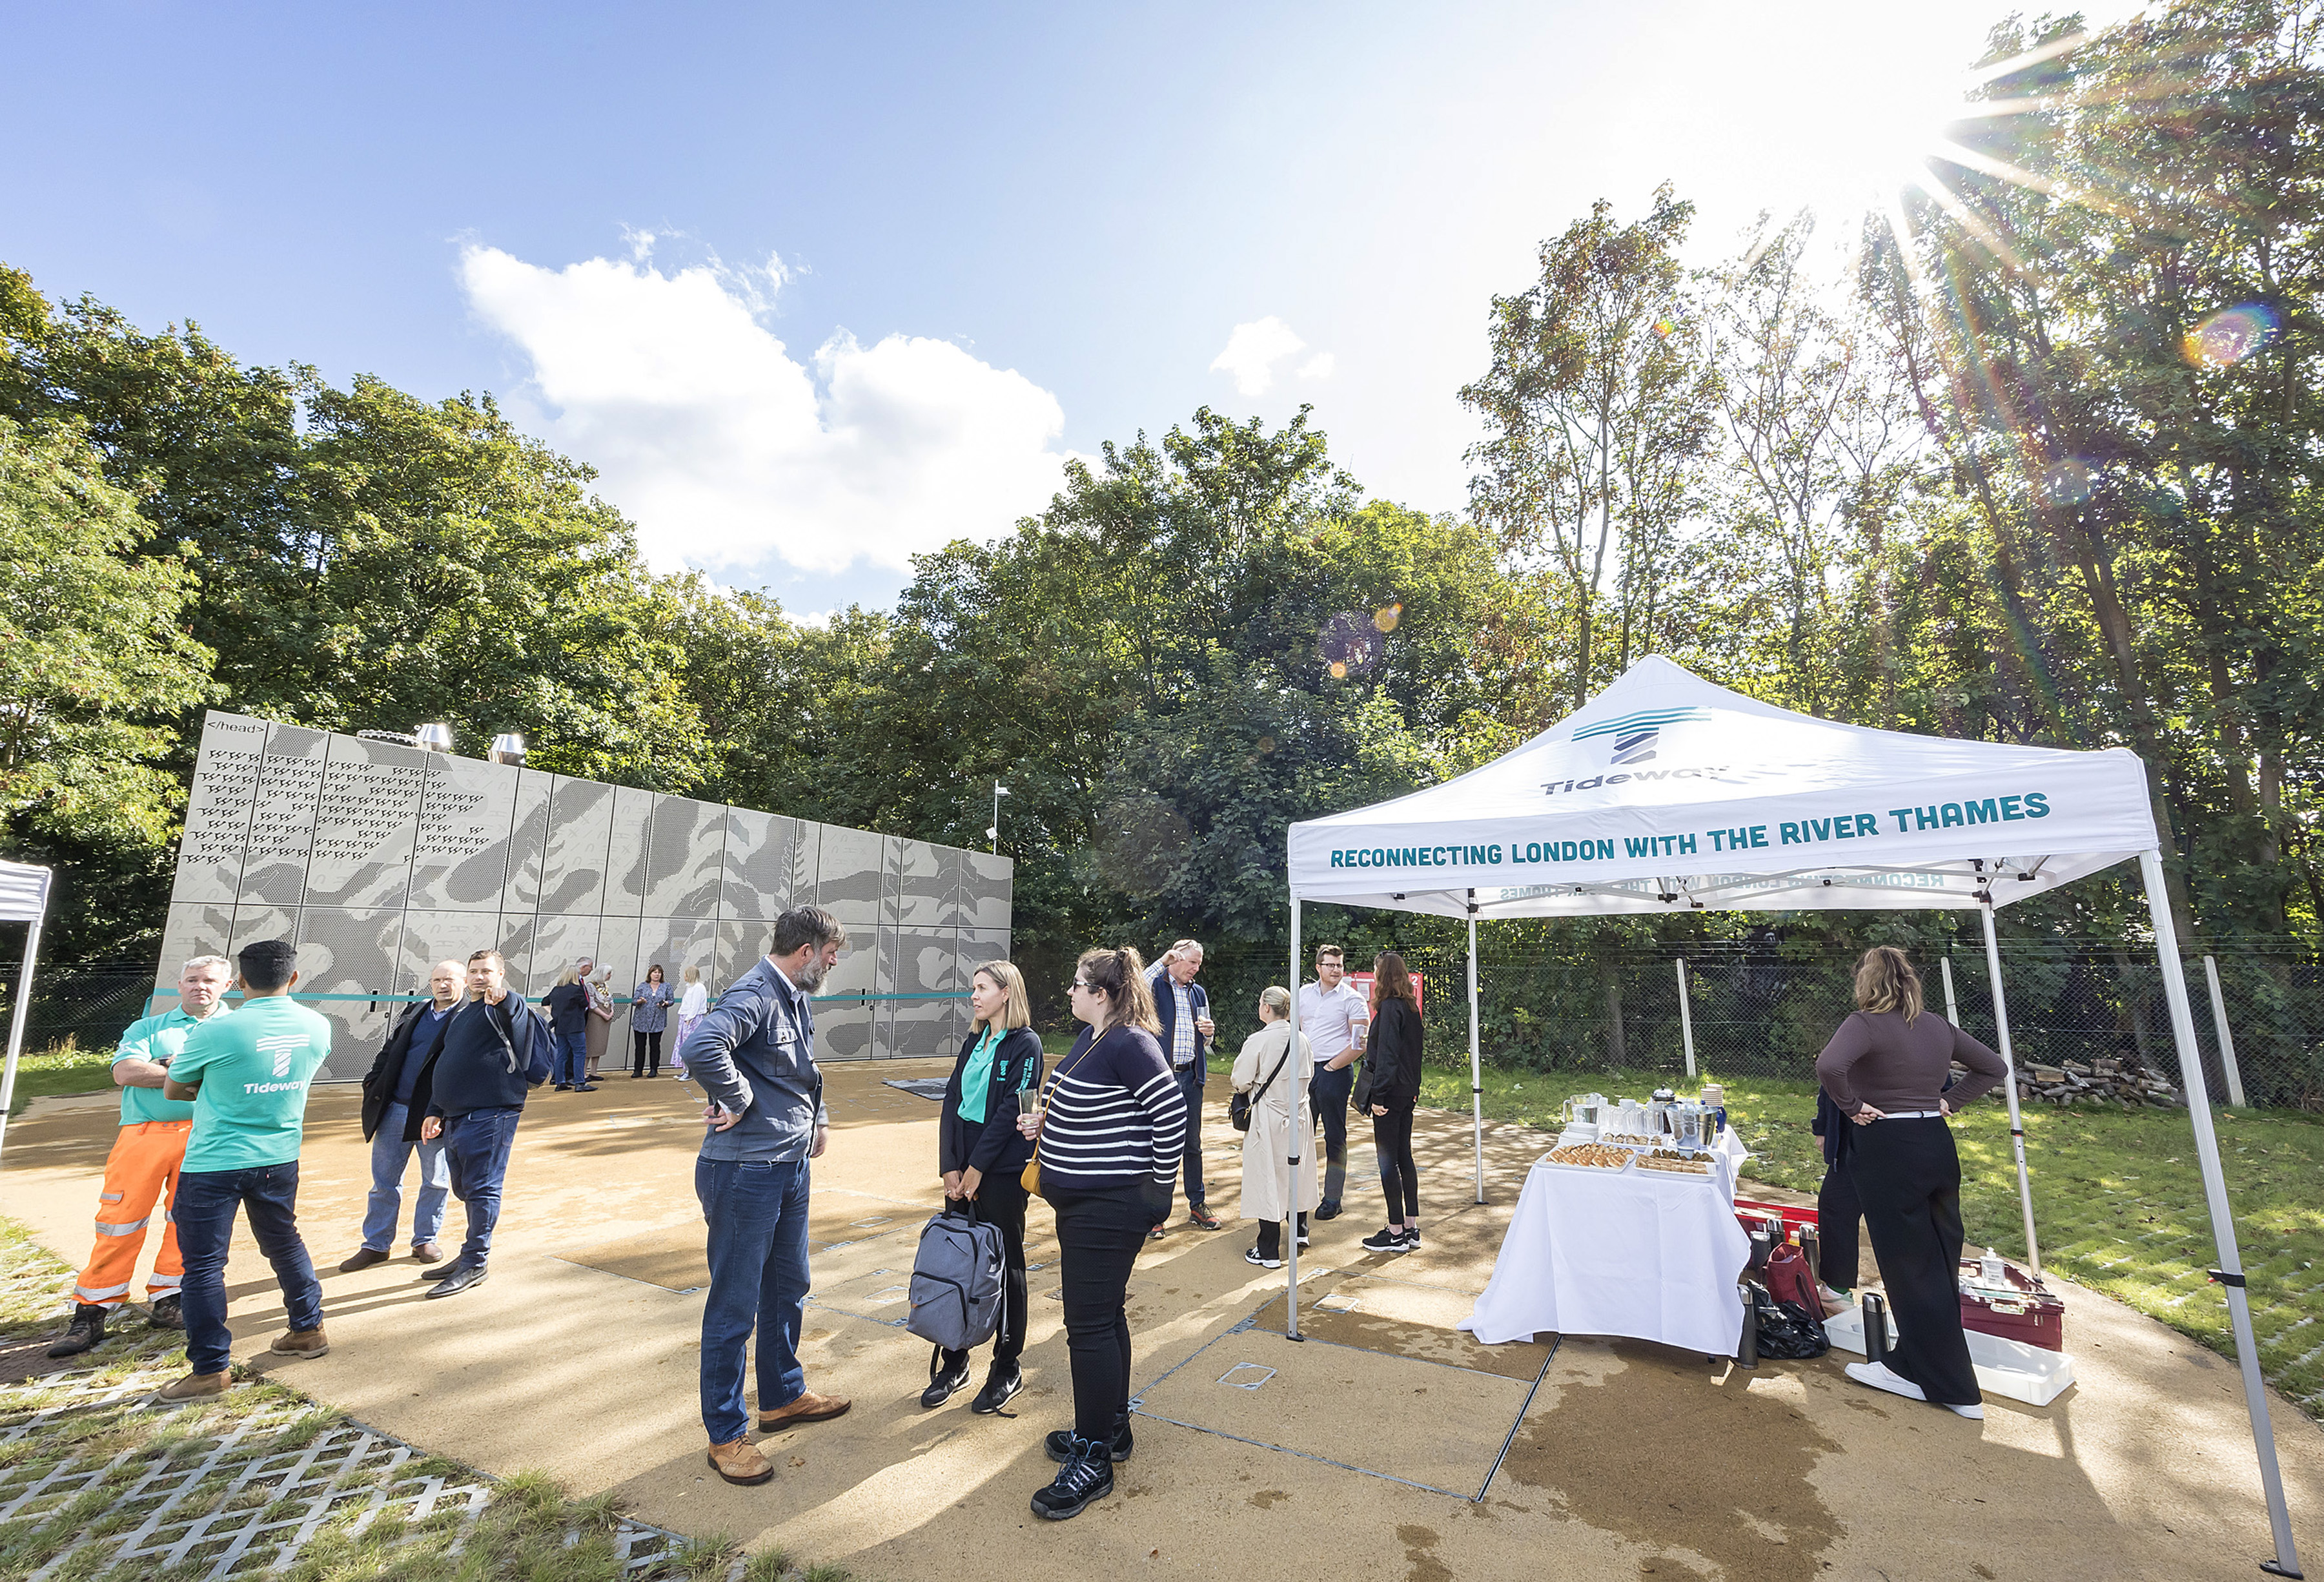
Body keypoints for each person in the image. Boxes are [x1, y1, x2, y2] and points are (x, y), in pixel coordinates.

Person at [687, 905, 854, 1488]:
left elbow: (802, 1070)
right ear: (806, 950)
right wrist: (738, 1100)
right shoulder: (756, 992)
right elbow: (703, 1046)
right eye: (832, 951)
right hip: (744, 1174)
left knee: (788, 1286)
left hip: (786, 1166)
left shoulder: (794, 996)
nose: (835, 961)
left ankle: (782, 1397)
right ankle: (726, 1434)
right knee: (735, 1305)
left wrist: (819, 1120)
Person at [1017, 945, 1185, 1521]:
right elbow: (1097, 1107)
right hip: (1083, 1205)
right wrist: (1047, 1121)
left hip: (1109, 1208)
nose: (1069, 991)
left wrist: (1159, 1192)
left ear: (1103, 994)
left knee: (1086, 1328)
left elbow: (1170, 1115)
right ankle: (1111, 1431)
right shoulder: (1095, 1041)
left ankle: (1093, 1458)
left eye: (1077, 984)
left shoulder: (1131, 1042)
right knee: (1105, 1318)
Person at [1816, 945, 2009, 1421]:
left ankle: (1935, 1380)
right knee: (1939, 1259)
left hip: (1888, 1144)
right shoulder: (1938, 1026)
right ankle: (1937, 1372)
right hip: (1935, 1143)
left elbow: (1828, 1066)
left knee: (1907, 1261)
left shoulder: (1863, 1023)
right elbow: (1995, 1068)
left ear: (1867, 982)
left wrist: (1851, 1106)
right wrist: (1951, 1102)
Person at [154, 939, 334, 1403]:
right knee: (284, 1242)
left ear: (239, 981)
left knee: (204, 1266)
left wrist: (205, 1083)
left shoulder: (217, 1031)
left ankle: (210, 1368)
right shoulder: (318, 1025)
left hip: (216, 1160)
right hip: (278, 1155)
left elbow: (175, 1090)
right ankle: (308, 1329)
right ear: (293, 977)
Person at [45, 954, 236, 1359]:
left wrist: (166, 1068)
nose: (199, 986)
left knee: (186, 1221)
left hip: (207, 1138)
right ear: (179, 984)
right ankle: (94, 1308)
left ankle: (169, 1297)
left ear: (228, 986)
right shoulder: (149, 1027)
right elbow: (126, 1073)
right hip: (143, 1136)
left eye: (209, 980)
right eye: (191, 979)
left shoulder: (236, 1028)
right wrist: (190, 1074)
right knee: (119, 1220)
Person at [926, 960, 1044, 1413]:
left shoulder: (1025, 1043)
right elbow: (952, 1102)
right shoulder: (975, 1039)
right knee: (959, 1263)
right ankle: (955, 1359)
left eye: (981, 988)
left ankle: (1006, 1366)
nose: (973, 996)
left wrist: (976, 1169)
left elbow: (1009, 1116)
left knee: (1006, 1264)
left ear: (1006, 993)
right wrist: (950, 1167)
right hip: (963, 1167)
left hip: (999, 1171)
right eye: (972, 988)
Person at [407, 950, 556, 1299]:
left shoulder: (505, 1006)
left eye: (486, 971)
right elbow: (445, 1062)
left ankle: (476, 1261)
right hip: (455, 1116)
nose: (479, 977)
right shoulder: (463, 1014)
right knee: (465, 1188)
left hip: (492, 1114)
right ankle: (468, 1254)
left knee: (483, 1187)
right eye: (473, 971)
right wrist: (434, 1109)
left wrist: (504, 998)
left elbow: (513, 1009)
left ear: (500, 974)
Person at [339, 960, 461, 1271]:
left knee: (435, 1181)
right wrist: (374, 1080)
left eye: (449, 979)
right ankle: (376, 1245)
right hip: (395, 1109)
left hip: (434, 1116)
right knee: (384, 1182)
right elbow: (391, 1050)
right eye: (437, 980)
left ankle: (425, 1239)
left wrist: (444, 1111)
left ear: (462, 982)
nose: (442, 985)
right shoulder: (416, 1011)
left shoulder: (467, 1018)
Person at [1233, 987, 1316, 1268]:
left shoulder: (1259, 1040)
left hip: (1269, 1116)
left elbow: (1241, 1080)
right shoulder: (1302, 1039)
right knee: (1298, 1171)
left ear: (1266, 1008)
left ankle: (1268, 1249)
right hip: (1300, 1114)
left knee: (1268, 1176)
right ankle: (1299, 1231)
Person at [1145, 940, 1218, 1235]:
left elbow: (1205, 1040)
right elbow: (1134, 984)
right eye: (1192, 962)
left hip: (1190, 1078)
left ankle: (1197, 1204)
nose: (1196, 968)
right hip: (1160, 1079)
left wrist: (1209, 1035)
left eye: (1199, 963)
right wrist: (1161, 962)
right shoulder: (1155, 986)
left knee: (1193, 1144)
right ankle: (1153, 1213)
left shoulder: (1198, 992)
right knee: (1156, 1144)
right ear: (1175, 959)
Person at [1296, 944, 1370, 1222]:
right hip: (1304, 1071)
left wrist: (1330, 1067)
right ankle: (1300, 1196)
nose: (1336, 969)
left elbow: (1360, 1043)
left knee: (1334, 1137)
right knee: (1300, 1135)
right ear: (1318, 967)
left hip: (1334, 1072)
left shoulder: (1352, 999)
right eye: (1330, 965)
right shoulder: (1302, 994)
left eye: (1339, 965)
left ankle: (1332, 1199)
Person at [1359, 951, 1424, 1254]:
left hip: (1390, 1093)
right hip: (1408, 1092)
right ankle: (1411, 1227)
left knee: (1388, 1162)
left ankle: (1395, 1231)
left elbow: (1387, 1056)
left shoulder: (1388, 1008)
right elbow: (1412, 1055)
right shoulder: (1412, 1009)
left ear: (1382, 975)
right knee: (1404, 1157)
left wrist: (1379, 1096)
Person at [1809, 1085, 1861, 1311]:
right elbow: (1829, 1078)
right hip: (1848, 1135)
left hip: (1893, 1137)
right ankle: (1836, 1290)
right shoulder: (1842, 1050)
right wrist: (1822, 1127)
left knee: (1899, 1217)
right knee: (1835, 1204)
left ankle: (1922, 1299)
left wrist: (1948, 1100)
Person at [542, 965, 594, 1093]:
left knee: (561, 1055)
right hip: (575, 1026)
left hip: (560, 1026)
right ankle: (580, 1082)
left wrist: (554, 1013)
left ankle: (560, 1082)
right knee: (579, 1053)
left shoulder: (556, 990)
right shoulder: (576, 989)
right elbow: (585, 1004)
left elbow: (545, 1001)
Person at [631, 964, 675, 1078]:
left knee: (655, 1045)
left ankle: (654, 1069)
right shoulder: (642, 986)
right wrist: (640, 1001)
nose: (657, 974)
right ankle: (638, 1070)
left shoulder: (667, 986)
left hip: (658, 1020)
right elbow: (634, 1001)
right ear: (650, 974)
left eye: (659, 973)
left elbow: (671, 1000)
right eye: (655, 972)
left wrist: (666, 1003)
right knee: (640, 1046)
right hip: (641, 1020)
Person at [673, 965, 709, 1075]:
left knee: (690, 1044)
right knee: (684, 1044)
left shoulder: (698, 987)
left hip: (692, 1019)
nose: (684, 976)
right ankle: (686, 1069)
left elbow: (695, 1005)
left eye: (686, 974)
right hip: (686, 1017)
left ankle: (691, 1071)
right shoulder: (691, 987)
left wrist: (689, 1018)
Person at [584, 967, 615, 1082]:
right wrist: (604, 1014)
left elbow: (610, 1000)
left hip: (605, 1017)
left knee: (599, 1045)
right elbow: (591, 1003)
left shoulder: (605, 986)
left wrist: (611, 1011)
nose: (610, 976)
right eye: (608, 974)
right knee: (590, 1044)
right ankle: (584, 1072)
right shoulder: (591, 986)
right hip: (595, 1017)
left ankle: (594, 1071)